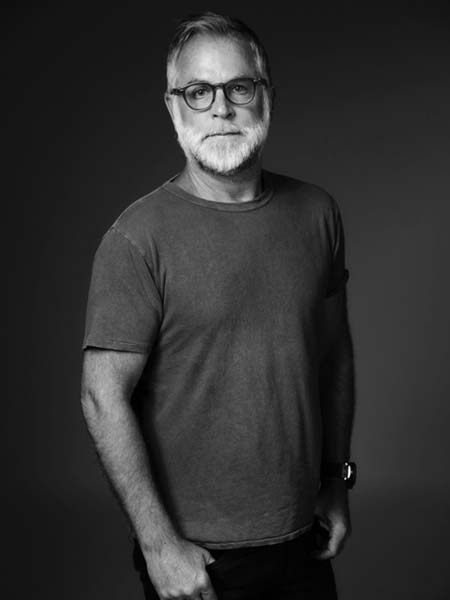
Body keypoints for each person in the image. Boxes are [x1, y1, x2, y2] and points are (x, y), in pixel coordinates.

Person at [80, 11, 356, 600]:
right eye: (198, 92)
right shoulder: (136, 238)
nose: (221, 110)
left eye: (239, 88)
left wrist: (337, 479)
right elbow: (101, 396)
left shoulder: (318, 214)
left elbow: (333, 356)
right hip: (199, 560)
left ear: (267, 98)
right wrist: (157, 545)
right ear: (173, 107)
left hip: (304, 540)